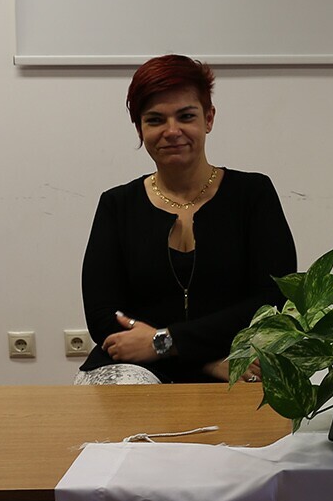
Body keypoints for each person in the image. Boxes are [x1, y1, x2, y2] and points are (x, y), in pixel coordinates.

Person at [77, 54, 296, 384]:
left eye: (186, 116)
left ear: (208, 119)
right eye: (155, 120)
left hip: (238, 356)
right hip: (138, 364)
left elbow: (273, 298)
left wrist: (165, 343)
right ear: (140, 129)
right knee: (122, 390)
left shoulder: (253, 194)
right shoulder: (116, 205)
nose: (172, 131)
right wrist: (200, 362)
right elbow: (103, 317)